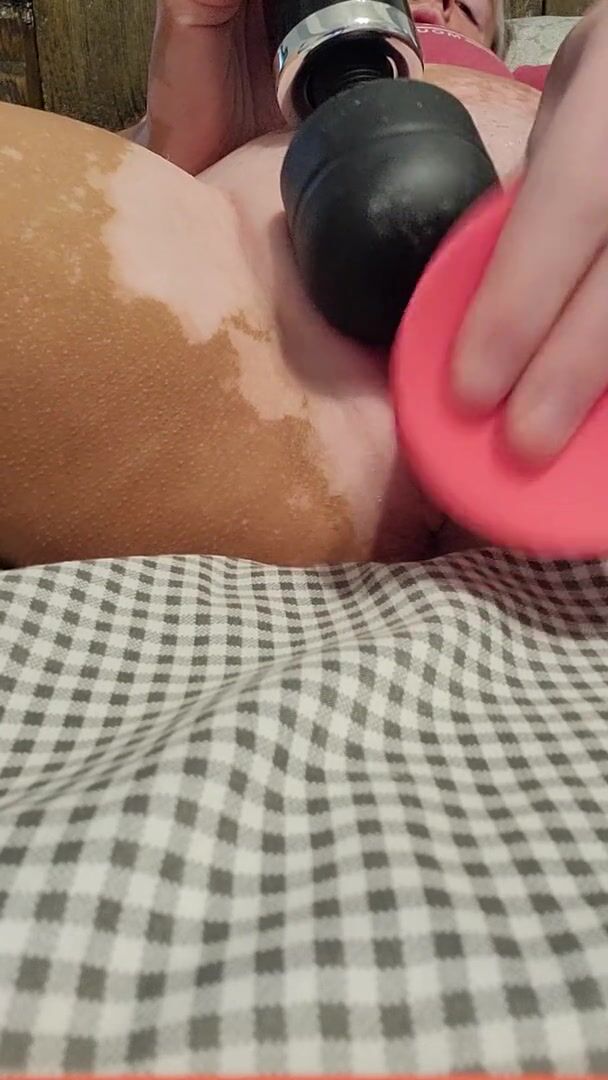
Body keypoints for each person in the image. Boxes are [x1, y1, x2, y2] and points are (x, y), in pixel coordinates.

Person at [0, 0, 598, 568]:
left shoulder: (559, 85)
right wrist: (162, 145)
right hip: (237, 335)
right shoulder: (235, 106)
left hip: (575, 375)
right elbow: (82, 179)